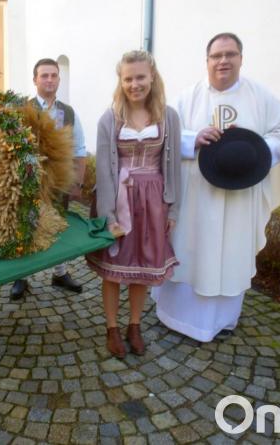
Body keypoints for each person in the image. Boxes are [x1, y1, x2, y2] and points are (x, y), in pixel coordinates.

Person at [151, 32, 280, 342]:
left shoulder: (262, 97)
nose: (223, 61)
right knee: (191, 250)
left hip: (239, 199)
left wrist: (251, 151)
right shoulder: (187, 97)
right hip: (196, 199)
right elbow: (164, 134)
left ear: (241, 59)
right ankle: (177, 316)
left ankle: (222, 319)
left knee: (230, 253)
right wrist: (193, 140)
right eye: (217, 56)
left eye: (230, 54)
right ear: (207, 61)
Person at [86, 50, 181, 358]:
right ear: (121, 81)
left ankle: (135, 325)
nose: (134, 84)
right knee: (114, 269)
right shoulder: (110, 118)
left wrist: (173, 208)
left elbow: (174, 167)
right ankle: (112, 327)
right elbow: (104, 170)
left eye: (140, 77)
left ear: (152, 76)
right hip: (119, 199)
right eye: (128, 78)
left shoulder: (169, 117)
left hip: (154, 202)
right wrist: (108, 215)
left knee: (142, 267)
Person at [10, 58, 87, 300]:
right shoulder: (23, 109)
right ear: (35, 80)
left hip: (59, 180)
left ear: (59, 79)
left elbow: (79, 147)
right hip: (30, 178)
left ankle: (60, 272)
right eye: (44, 75)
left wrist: (78, 181)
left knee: (58, 224)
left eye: (53, 75)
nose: (50, 79)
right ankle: (21, 276)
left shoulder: (69, 112)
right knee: (25, 225)